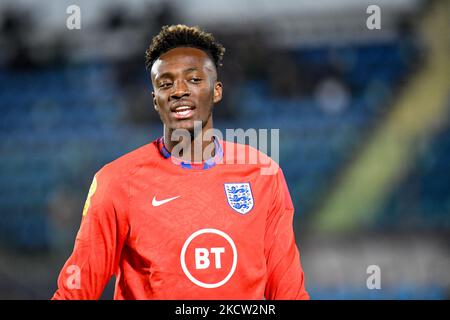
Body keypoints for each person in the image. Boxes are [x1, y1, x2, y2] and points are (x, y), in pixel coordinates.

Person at [52, 24, 309, 300]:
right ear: (155, 100)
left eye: (194, 80)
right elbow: (75, 293)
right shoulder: (117, 182)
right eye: (166, 83)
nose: (179, 91)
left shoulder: (263, 174)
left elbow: (289, 292)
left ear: (217, 90)